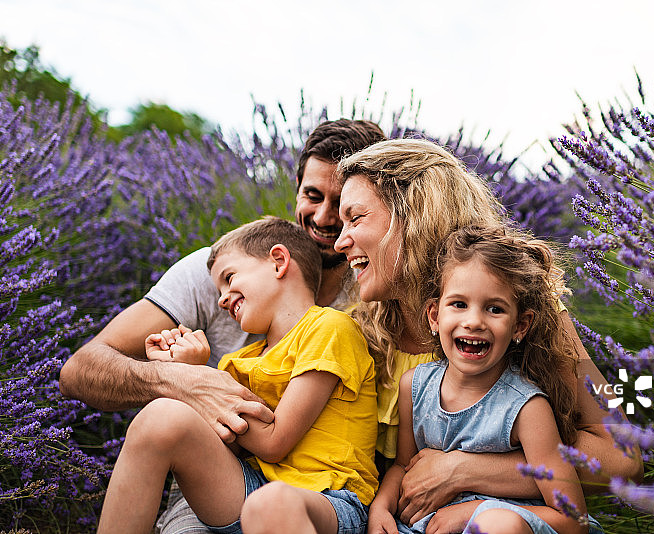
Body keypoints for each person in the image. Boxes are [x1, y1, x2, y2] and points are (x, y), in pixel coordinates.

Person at [59, 119, 386, 533]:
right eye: (313, 195)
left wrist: (199, 378)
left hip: (321, 495)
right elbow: (78, 371)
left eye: (341, 204)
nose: (323, 217)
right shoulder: (220, 272)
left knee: (273, 507)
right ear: (297, 188)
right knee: (162, 418)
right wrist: (176, 378)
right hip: (236, 485)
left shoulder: (373, 296)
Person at [334, 138, 643, 530]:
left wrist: (463, 469)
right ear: (435, 316)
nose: (340, 241)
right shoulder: (357, 330)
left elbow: (624, 457)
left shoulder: (533, 310)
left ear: (412, 215)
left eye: (356, 218)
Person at [96, 216, 378, 534]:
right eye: (219, 289)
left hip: (328, 500)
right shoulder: (238, 361)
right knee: (160, 418)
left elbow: (273, 441)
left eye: (229, 278)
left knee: (270, 504)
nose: (222, 298)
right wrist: (185, 373)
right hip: (252, 487)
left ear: (278, 261)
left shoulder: (330, 328)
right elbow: (234, 448)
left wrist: (205, 381)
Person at [370, 224, 598, 534]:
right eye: (459, 304)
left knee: (494, 524)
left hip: (503, 525)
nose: (474, 321)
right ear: (435, 316)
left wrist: (476, 510)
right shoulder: (415, 385)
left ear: (520, 325)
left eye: (494, 309)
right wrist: (381, 507)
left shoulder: (525, 408)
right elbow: (402, 467)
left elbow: (573, 520)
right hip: (426, 527)